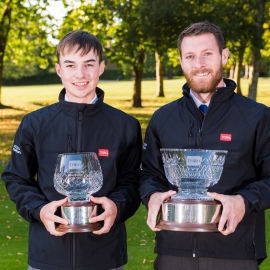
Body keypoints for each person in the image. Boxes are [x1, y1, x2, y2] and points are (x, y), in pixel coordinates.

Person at [1, 30, 142, 270]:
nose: (80, 74)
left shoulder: (125, 125)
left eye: (89, 64)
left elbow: (133, 180)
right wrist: (39, 209)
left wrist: (116, 206)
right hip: (48, 255)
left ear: (101, 67)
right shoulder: (35, 123)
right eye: (70, 65)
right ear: (59, 70)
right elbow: (16, 177)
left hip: (105, 255)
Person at [139, 21, 270, 270]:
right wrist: (152, 195)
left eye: (207, 54)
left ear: (224, 55)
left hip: (235, 251)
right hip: (173, 251)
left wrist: (243, 200)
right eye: (190, 56)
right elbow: (148, 174)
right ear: (180, 60)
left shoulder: (257, 116)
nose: (198, 64)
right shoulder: (162, 118)